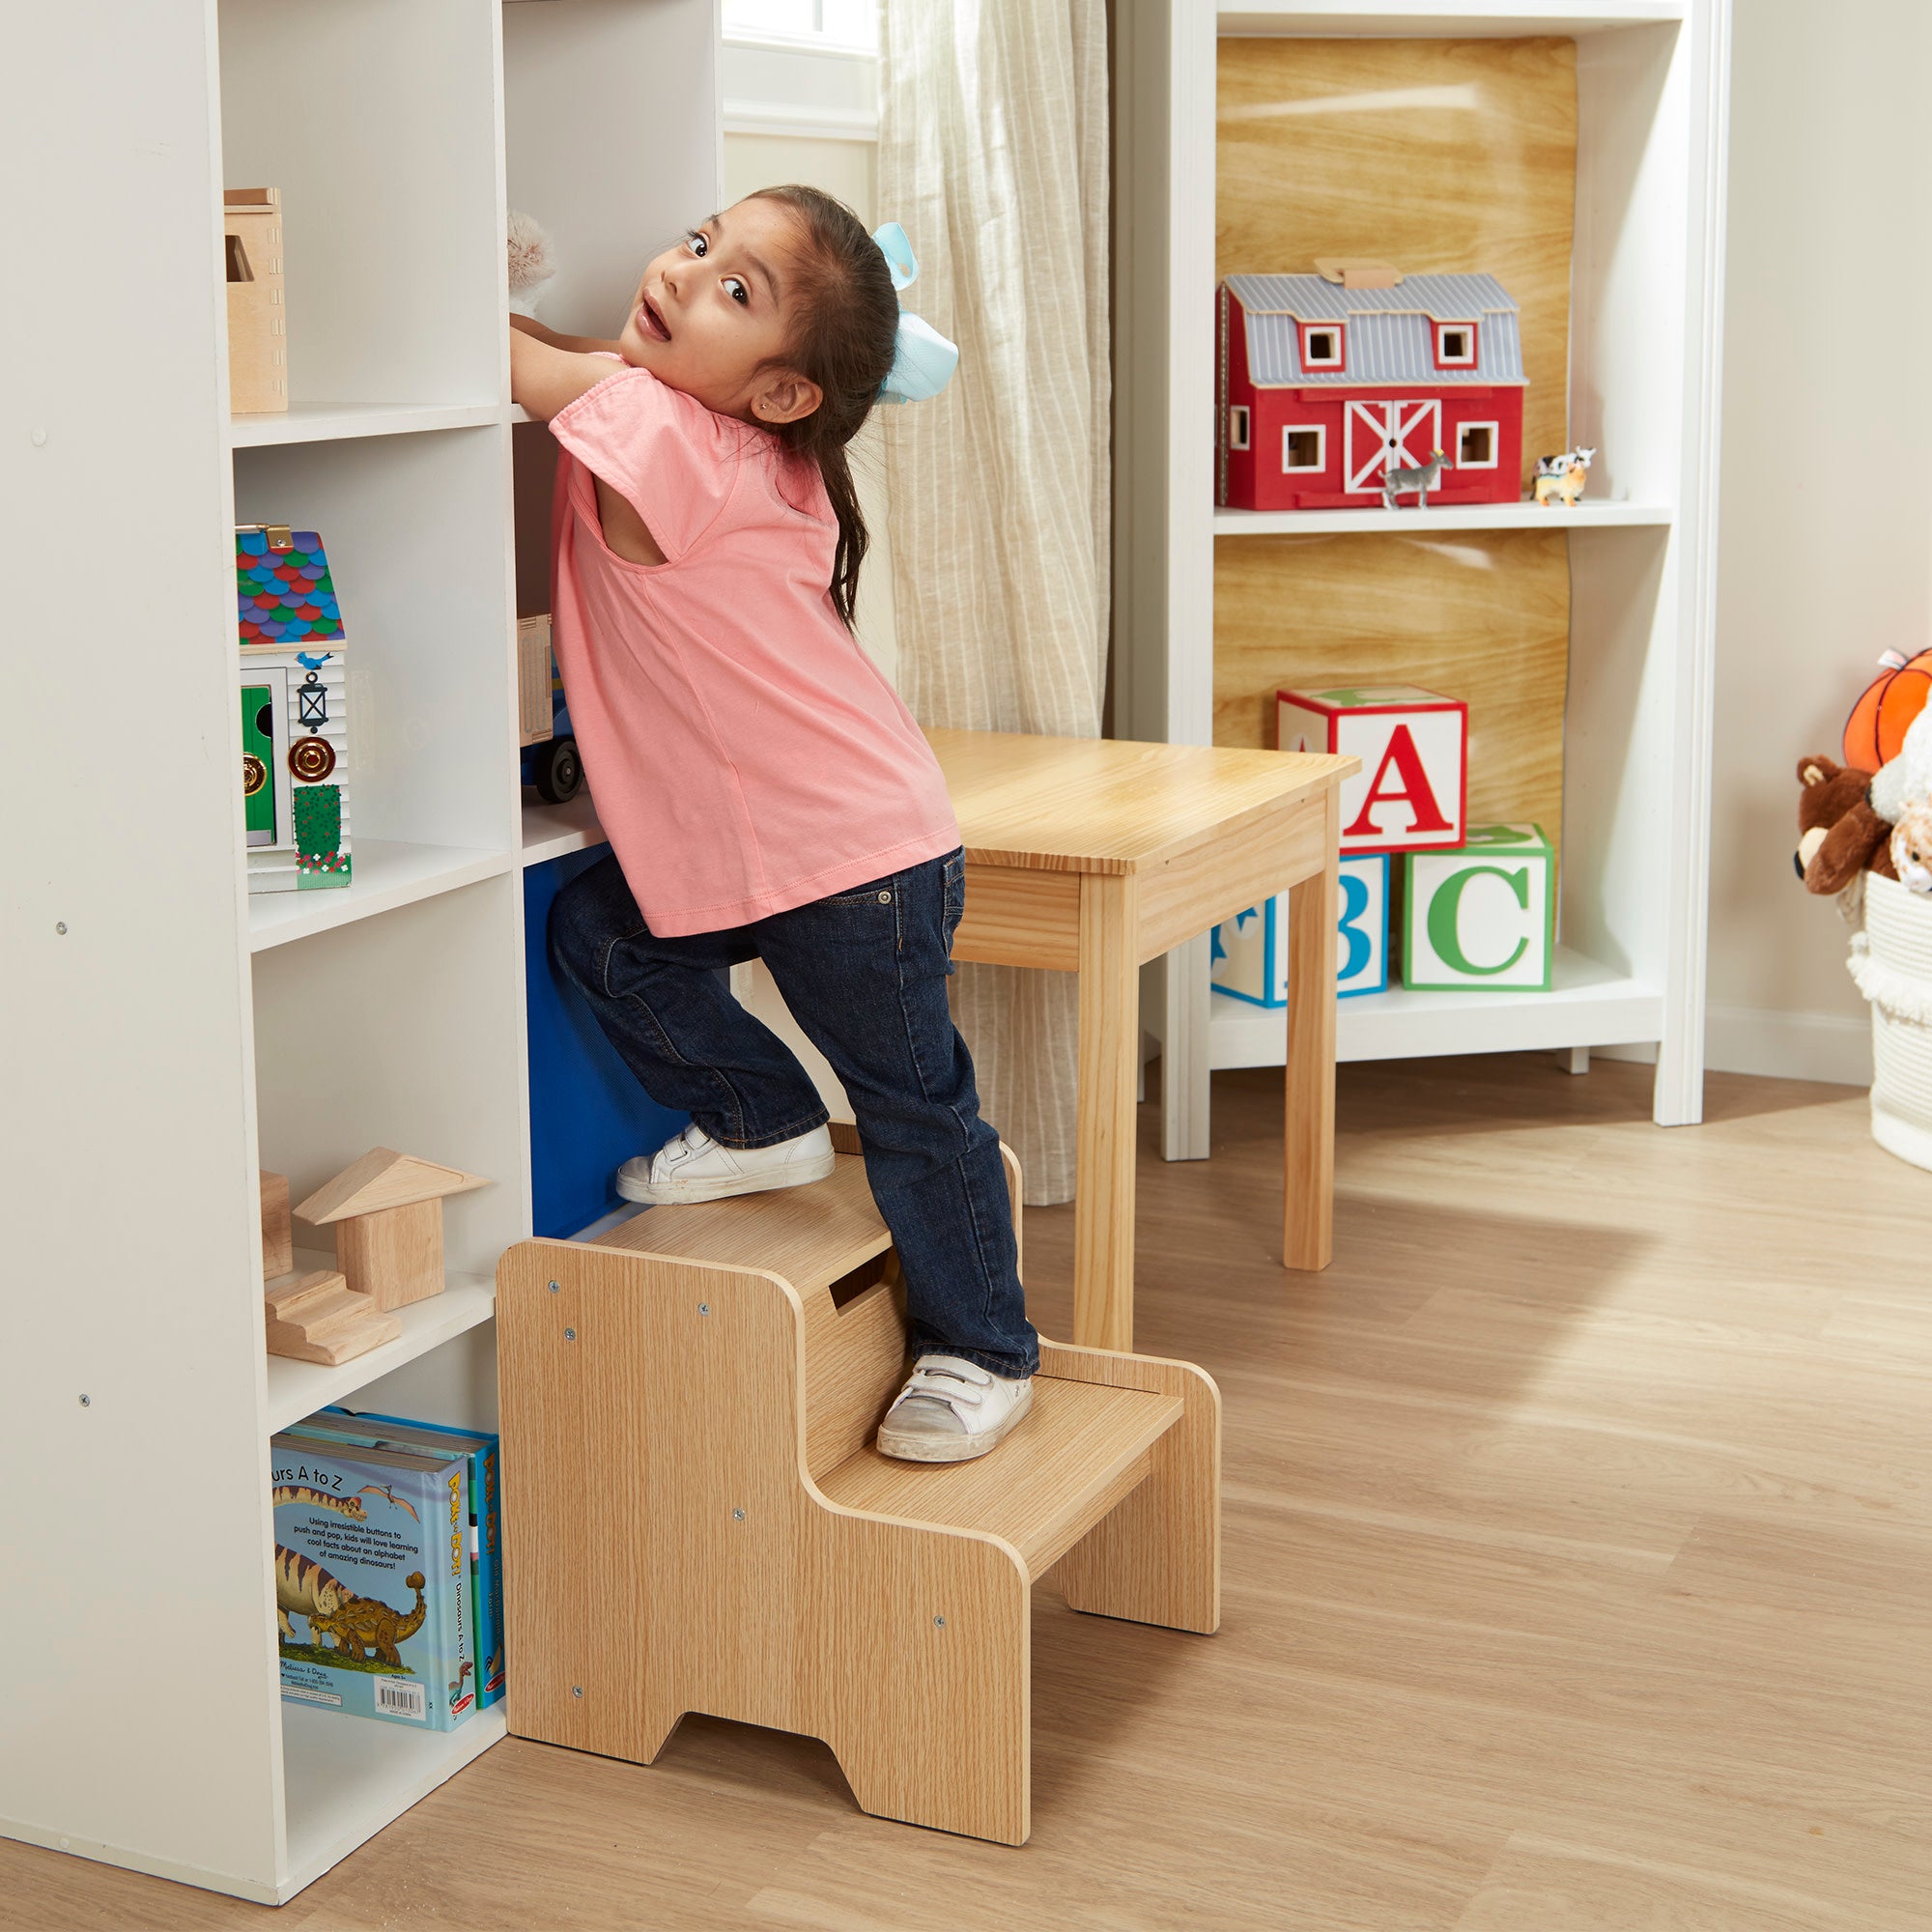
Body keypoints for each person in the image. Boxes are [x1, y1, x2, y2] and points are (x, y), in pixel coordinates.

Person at [510, 187, 1037, 1463]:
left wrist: (470, 272)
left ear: (788, 391)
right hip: (776, 841)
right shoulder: (742, 442)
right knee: (600, 929)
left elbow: (518, 361)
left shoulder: (659, 432)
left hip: (856, 864)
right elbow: (591, 366)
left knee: (913, 1108)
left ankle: (985, 1352)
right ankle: (762, 1117)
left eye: (737, 292)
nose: (684, 279)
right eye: (699, 245)